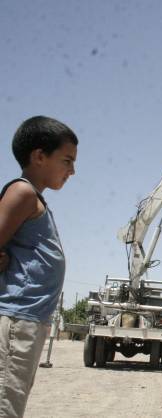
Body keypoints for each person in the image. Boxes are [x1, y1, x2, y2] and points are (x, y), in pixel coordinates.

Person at [0, 115, 77, 418]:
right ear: (39, 156)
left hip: (27, 322)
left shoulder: (36, 201)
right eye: (67, 161)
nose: (72, 171)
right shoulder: (23, 193)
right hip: (16, 320)